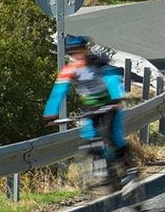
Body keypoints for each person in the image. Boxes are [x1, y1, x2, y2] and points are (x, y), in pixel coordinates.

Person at [42, 35, 136, 180]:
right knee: (89, 135)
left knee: (112, 137)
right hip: (90, 108)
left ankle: (129, 170)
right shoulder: (69, 70)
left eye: (80, 51)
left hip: (109, 105)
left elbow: (112, 79)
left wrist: (117, 97)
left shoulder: (97, 63)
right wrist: (50, 114)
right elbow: (58, 92)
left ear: (85, 50)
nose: (77, 55)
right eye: (73, 53)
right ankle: (102, 169)